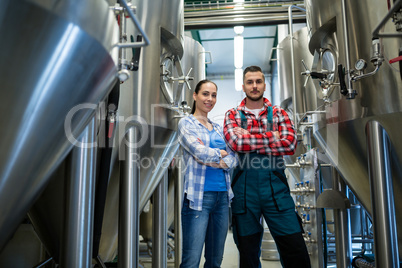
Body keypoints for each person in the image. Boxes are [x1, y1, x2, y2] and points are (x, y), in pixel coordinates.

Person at [223, 66, 311, 268]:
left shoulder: (280, 113)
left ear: (264, 84)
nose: (254, 86)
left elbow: (290, 145)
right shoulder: (232, 114)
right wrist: (273, 137)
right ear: (243, 86)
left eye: (258, 81)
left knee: (295, 249)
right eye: (250, 82)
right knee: (248, 252)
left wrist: (249, 137)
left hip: (277, 190)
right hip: (244, 191)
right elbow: (236, 144)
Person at [178, 79, 238, 268]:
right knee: (191, 260)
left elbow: (234, 158)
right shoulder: (186, 123)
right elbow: (198, 151)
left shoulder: (219, 129)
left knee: (215, 260)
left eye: (213, 95)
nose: (210, 99)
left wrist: (214, 158)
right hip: (198, 199)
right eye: (205, 94)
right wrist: (219, 154)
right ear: (195, 96)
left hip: (222, 198)